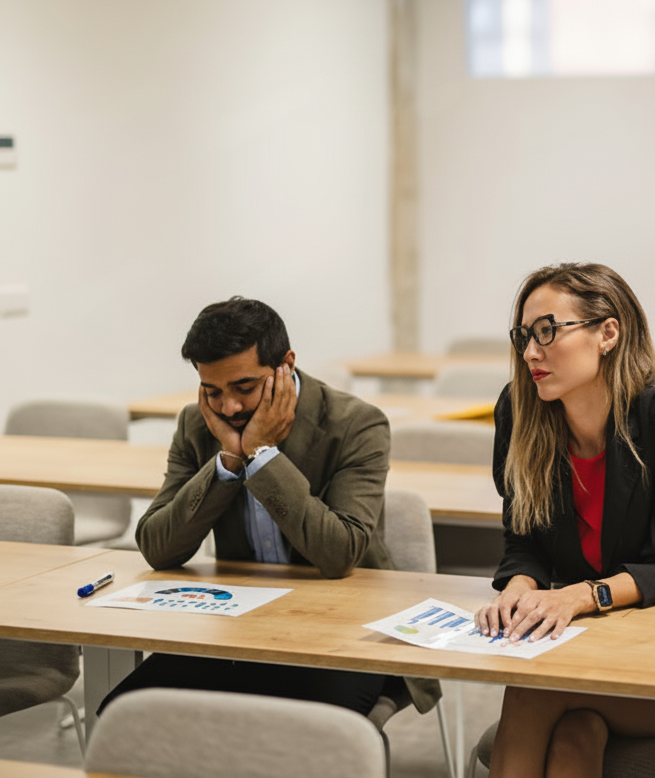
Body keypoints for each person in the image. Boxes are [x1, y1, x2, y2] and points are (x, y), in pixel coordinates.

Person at [103, 297, 436, 717]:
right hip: (240, 626)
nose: (230, 408)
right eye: (213, 391)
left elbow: (339, 553)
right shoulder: (197, 424)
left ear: (286, 365)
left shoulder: (355, 424)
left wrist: (261, 454)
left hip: (345, 627)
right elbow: (157, 547)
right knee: (125, 712)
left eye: (245, 388)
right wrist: (228, 461)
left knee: (305, 733)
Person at [476, 263, 655, 778]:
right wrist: (516, 589)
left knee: (532, 694)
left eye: (547, 330)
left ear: (608, 333)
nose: (530, 352)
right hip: (593, 649)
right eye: (524, 336)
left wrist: (575, 596)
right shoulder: (519, 412)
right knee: (576, 736)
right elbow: (522, 541)